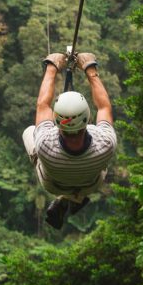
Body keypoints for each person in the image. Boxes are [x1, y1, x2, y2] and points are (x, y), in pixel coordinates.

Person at [21, 52, 117, 229]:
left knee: (30, 131)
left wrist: (52, 67)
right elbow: (104, 107)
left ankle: (67, 196)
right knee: (100, 161)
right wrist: (90, 69)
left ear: (56, 121)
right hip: (91, 184)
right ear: (88, 119)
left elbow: (43, 105)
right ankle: (75, 197)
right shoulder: (105, 143)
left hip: (53, 185)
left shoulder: (45, 144)